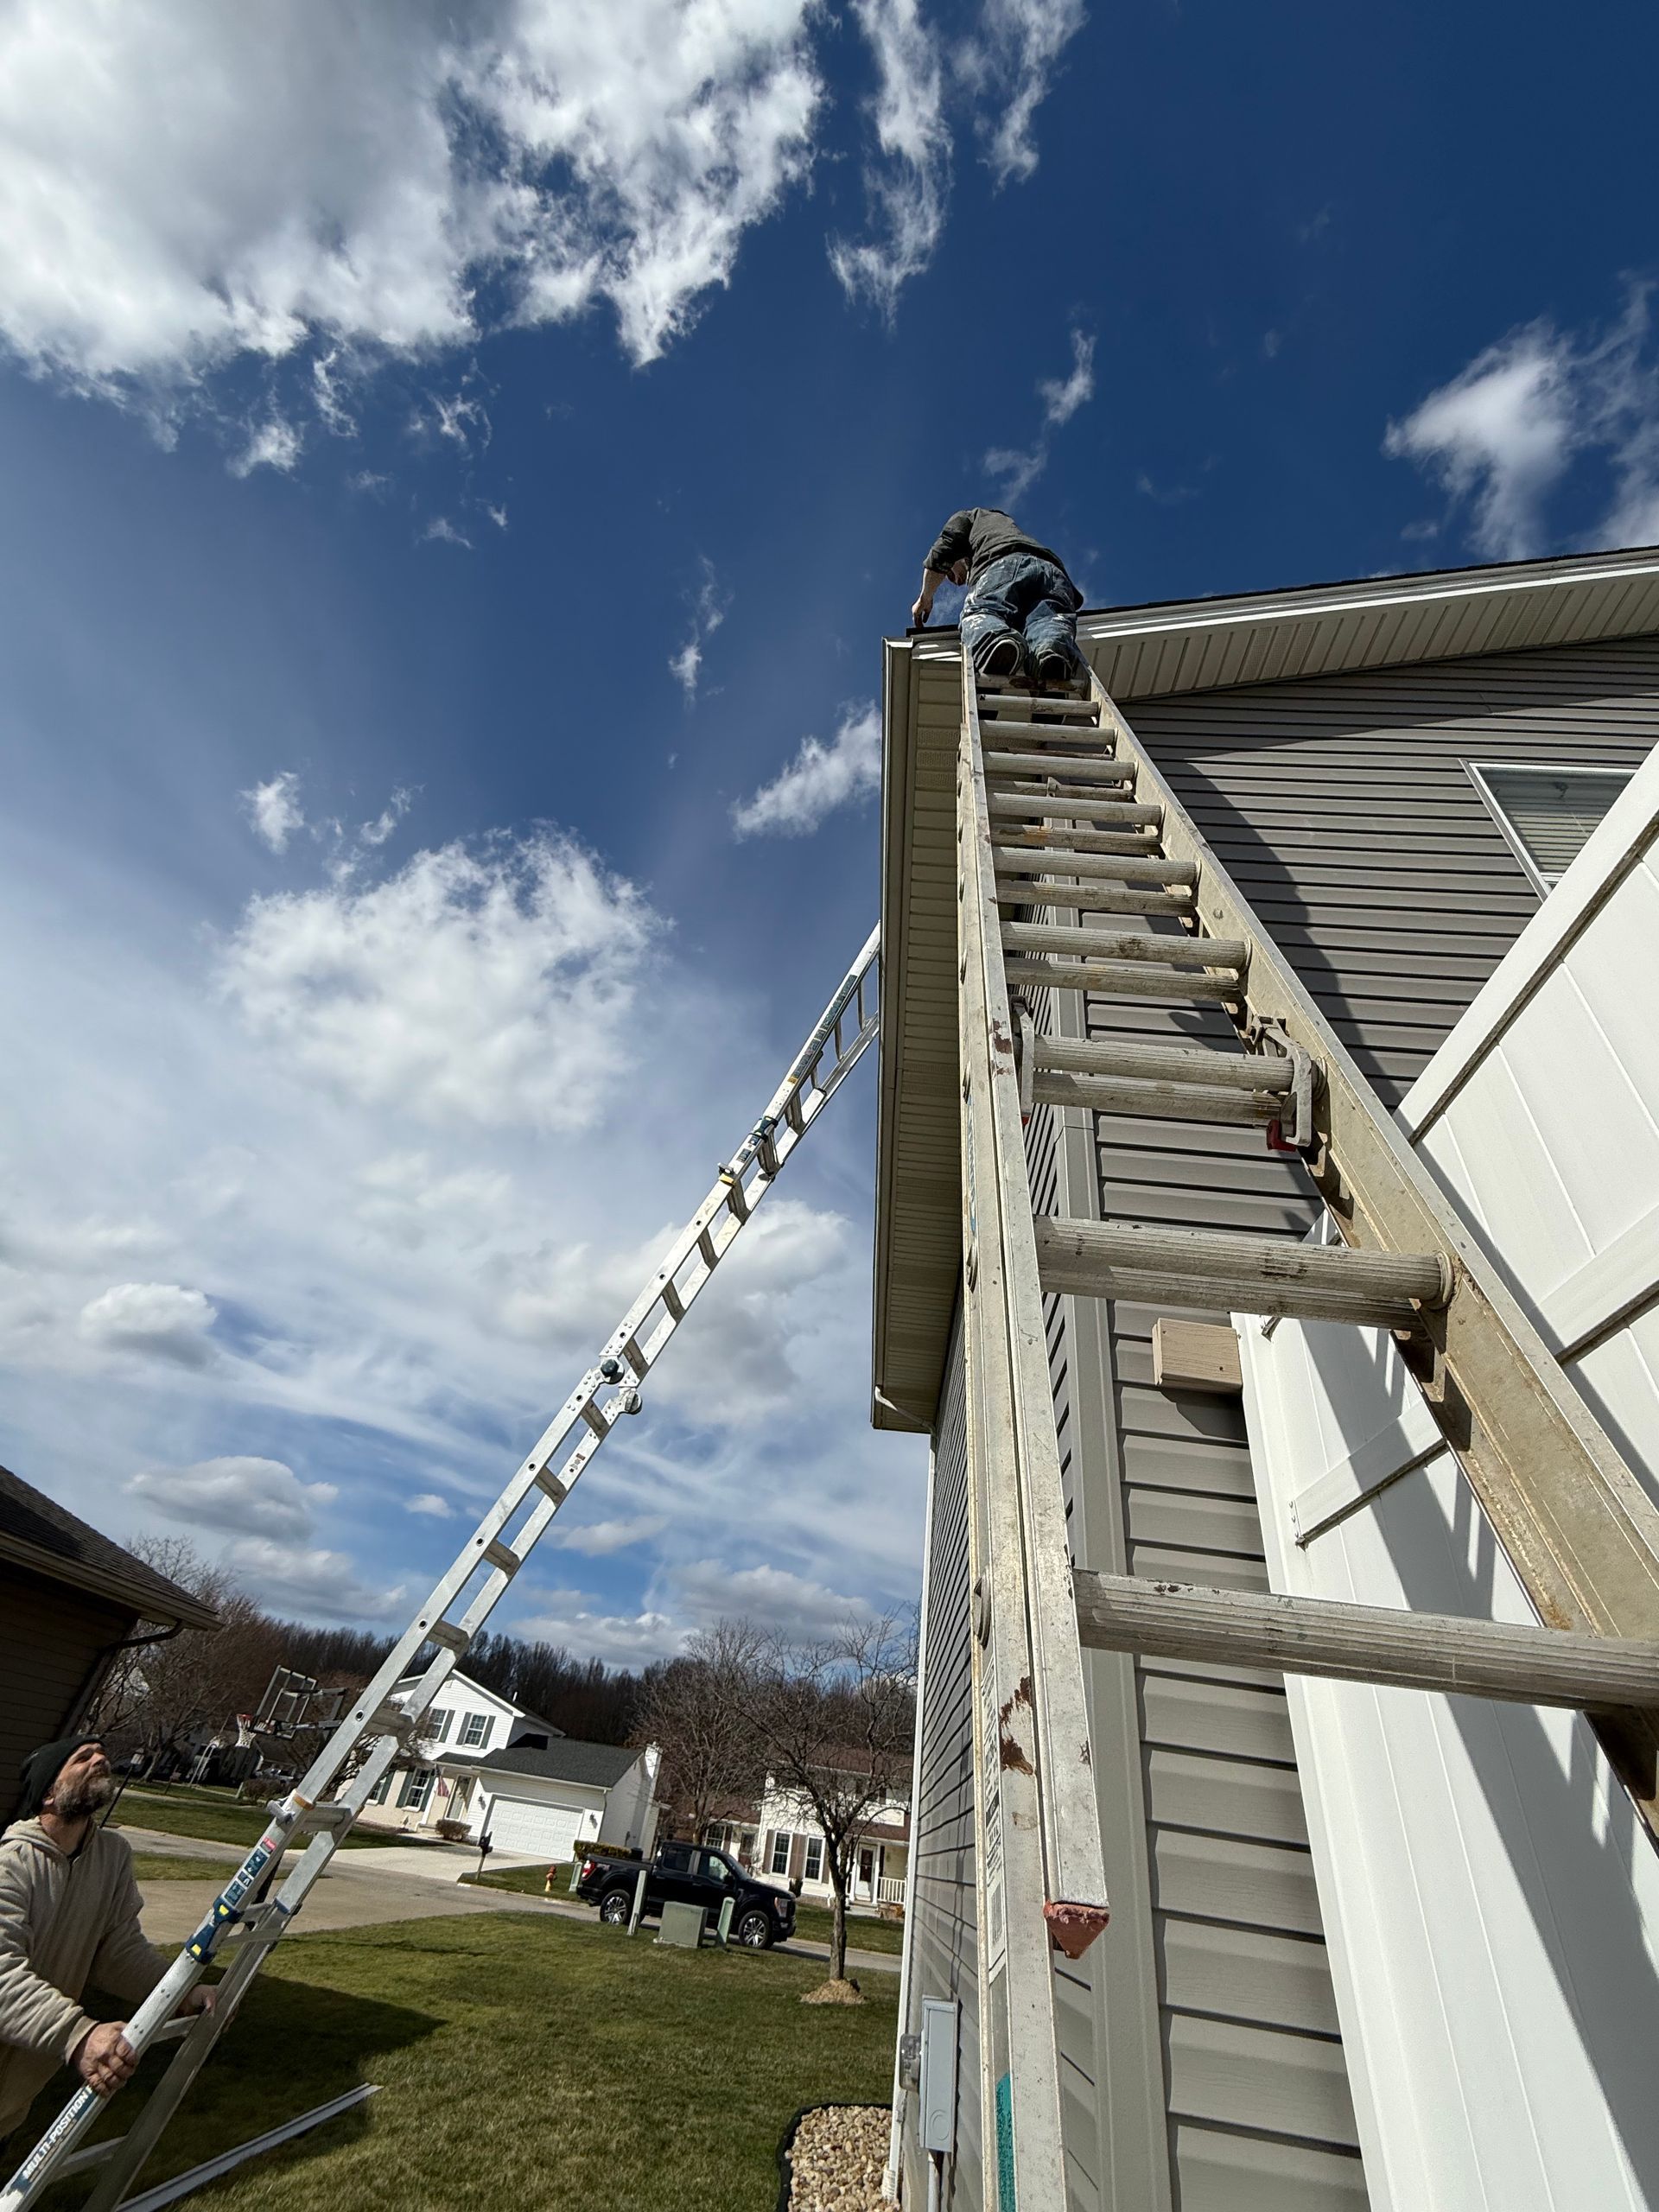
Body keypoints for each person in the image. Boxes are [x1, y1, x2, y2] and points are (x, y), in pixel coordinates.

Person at [0, 1737, 213, 2147]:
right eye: (82, 1758)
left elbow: (119, 1953)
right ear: (48, 1792)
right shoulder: (13, 1864)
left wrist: (182, 1992)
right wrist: (78, 2035)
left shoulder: (110, 1856)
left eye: (102, 1754)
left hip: (12, 2104)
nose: (100, 1759)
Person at [910, 506, 1084, 685]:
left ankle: (997, 642)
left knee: (979, 615)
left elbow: (944, 548)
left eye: (950, 574)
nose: (956, 581)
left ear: (960, 556)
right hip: (1054, 575)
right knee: (1046, 625)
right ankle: (1050, 656)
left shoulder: (970, 517)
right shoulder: (1005, 527)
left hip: (1004, 565)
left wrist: (925, 597)